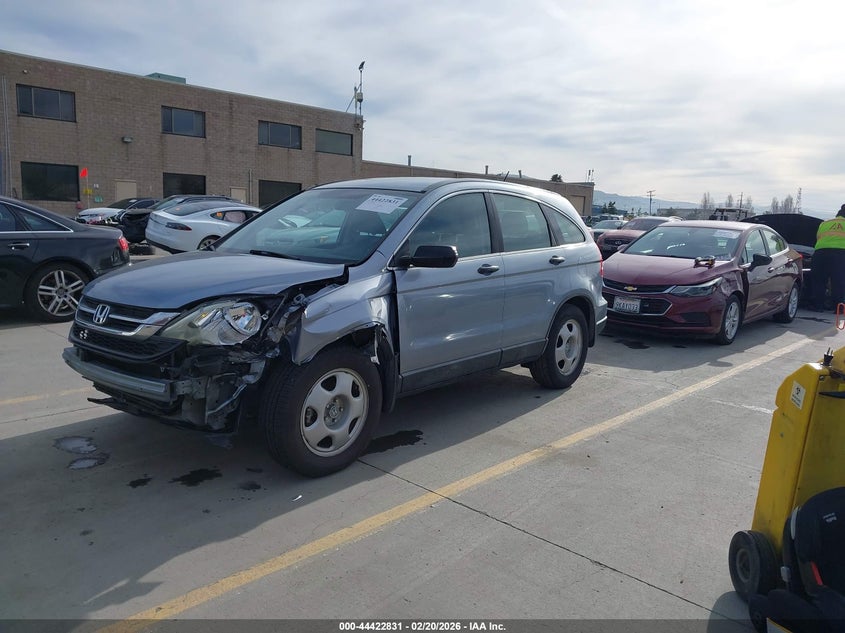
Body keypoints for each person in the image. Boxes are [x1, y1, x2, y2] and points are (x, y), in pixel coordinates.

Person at [811, 204, 845, 311]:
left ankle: (818, 306)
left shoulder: (825, 223)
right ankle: (839, 307)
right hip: (840, 253)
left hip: (820, 253)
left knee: (819, 280)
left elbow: (818, 238)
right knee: (839, 281)